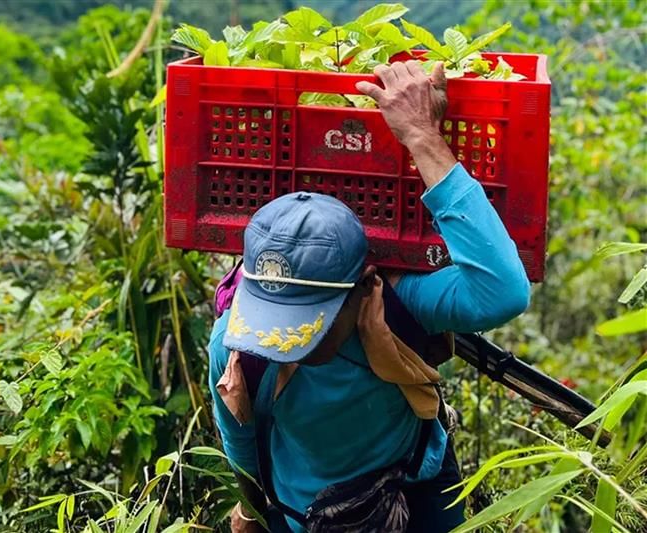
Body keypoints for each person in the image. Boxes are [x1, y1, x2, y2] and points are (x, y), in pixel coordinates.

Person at [207, 60, 531, 532]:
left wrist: (422, 136)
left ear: (364, 288)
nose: (282, 337)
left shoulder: (397, 303)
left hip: (413, 484)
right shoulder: (237, 346)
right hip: (301, 515)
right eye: (274, 312)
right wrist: (254, 510)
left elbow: (503, 291)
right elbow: (242, 443)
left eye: (308, 317)